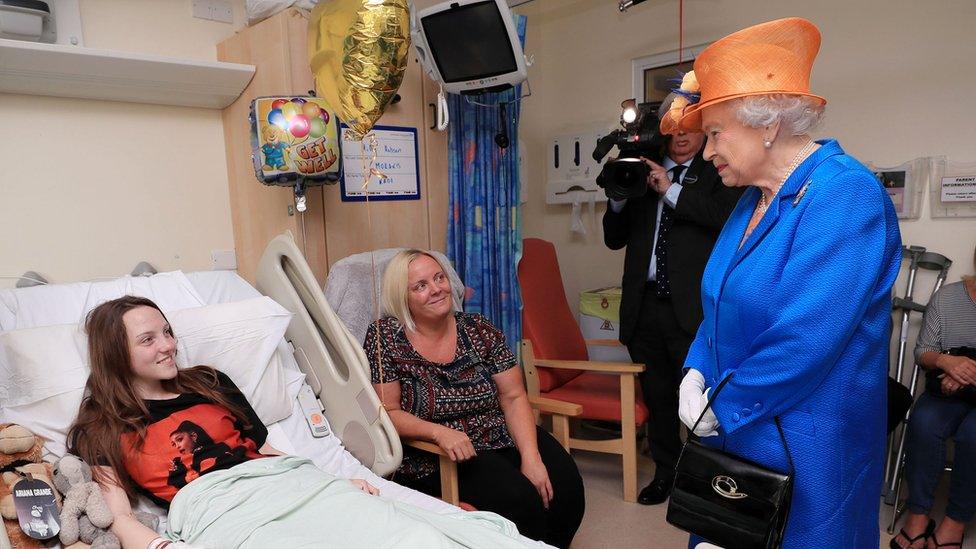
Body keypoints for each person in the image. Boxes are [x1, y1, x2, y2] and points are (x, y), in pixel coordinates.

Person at [659, 18, 902, 547]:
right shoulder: (752, 196)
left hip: (806, 443)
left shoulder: (845, 195)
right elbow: (720, 300)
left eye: (716, 133)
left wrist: (718, 403)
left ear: (766, 125)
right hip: (738, 430)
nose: (706, 152)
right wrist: (696, 368)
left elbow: (807, 338)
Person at [67, 296, 543, 549]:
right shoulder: (102, 426)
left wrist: (336, 479)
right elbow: (121, 517)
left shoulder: (210, 382)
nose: (167, 345)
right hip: (221, 510)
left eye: (167, 332)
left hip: (286, 483)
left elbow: (265, 451)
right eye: (148, 339)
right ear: (117, 352)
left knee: (414, 537)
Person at [365, 249, 585, 549]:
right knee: (521, 502)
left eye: (439, 278)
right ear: (403, 298)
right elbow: (387, 411)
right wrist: (439, 433)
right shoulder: (386, 337)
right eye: (420, 286)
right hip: (439, 452)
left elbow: (514, 395)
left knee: (566, 486)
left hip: (498, 432)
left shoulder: (478, 328)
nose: (436, 289)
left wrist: (531, 457)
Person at [603, 128, 742, 505]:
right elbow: (614, 238)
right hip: (644, 305)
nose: (680, 135)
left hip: (693, 310)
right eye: (672, 129)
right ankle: (666, 473)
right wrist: (617, 197)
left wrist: (670, 189)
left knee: (700, 401)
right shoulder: (638, 170)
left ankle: (703, 482)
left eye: (689, 127)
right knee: (659, 398)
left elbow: (725, 218)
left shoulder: (720, 169)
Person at [894, 244, 976, 549]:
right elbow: (923, 352)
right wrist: (947, 363)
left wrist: (968, 372)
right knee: (924, 421)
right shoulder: (948, 297)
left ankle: (954, 522)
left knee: (974, 435)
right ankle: (918, 515)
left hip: (965, 386)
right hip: (946, 387)